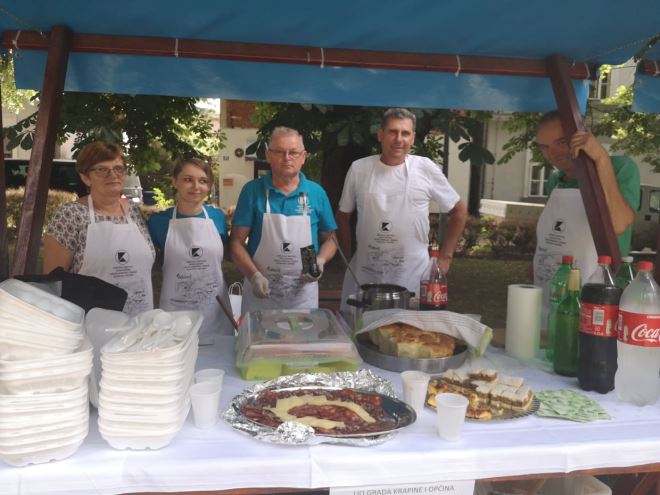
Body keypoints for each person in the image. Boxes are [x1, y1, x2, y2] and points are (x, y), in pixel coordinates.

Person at [336, 108, 468, 308]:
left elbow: (459, 211)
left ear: (412, 138)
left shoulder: (425, 168)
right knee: (360, 326)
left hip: (412, 278)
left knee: (407, 327)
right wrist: (346, 258)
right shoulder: (359, 169)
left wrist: (445, 258)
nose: (399, 139)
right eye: (392, 132)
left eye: (405, 133)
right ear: (380, 134)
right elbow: (342, 216)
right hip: (364, 278)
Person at [534, 110, 640, 322]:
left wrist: (601, 159)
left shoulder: (621, 167)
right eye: (544, 147)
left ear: (582, 137)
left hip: (599, 298)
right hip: (551, 295)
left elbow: (619, 224)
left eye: (561, 142)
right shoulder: (555, 181)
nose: (553, 154)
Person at [230, 126, 337, 312]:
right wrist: (254, 276)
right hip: (261, 292)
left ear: (303, 157)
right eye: (279, 152)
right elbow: (236, 243)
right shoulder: (252, 191)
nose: (287, 158)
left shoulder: (316, 193)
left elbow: (331, 239)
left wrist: (320, 261)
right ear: (268, 155)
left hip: (303, 295)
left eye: (293, 152)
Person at [43, 142, 155, 316]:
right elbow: (53, 283)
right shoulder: (71, 215)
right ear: (86, 177)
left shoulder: (134, 213)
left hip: (140, 323)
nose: (113, 175)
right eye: (102, 170)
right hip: (91, 324)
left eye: (118, 168)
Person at [147, 157, 234, 344]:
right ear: (175, 181)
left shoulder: (217, 218)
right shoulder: (158, 222)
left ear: (209, 186)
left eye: (203, 181)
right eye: (188, 179)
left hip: (215, 311)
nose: (196, 186)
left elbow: (228, 252)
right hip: (176, 312)